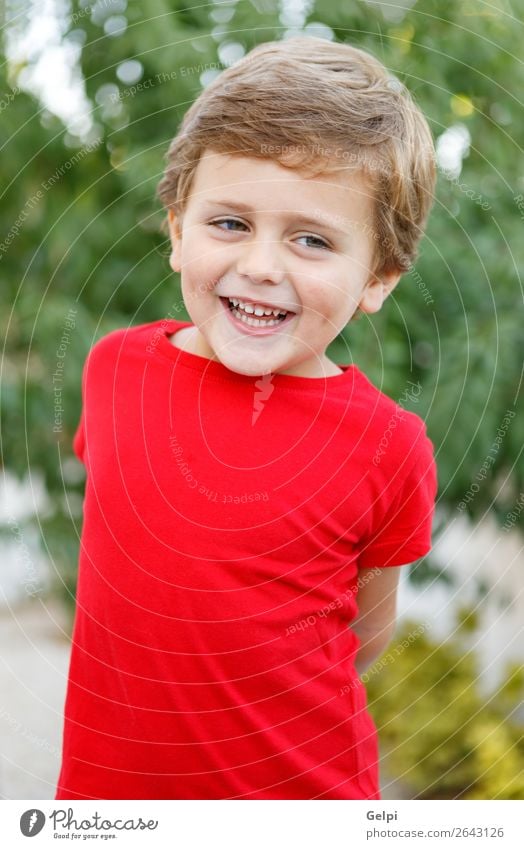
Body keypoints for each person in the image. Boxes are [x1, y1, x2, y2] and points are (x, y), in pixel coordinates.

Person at [56, 35, 438, 800]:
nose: (263, 264)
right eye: (230, 223)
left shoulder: (389, 445)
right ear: (175, 231)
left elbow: (366, 632)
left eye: (312, 239)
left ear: (379, 277)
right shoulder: (115, 369)